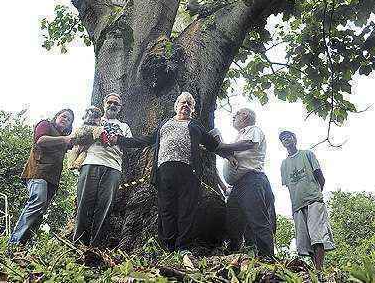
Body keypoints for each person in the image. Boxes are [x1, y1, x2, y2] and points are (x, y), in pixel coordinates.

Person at [115, 92, 223, 253]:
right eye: (182, 102)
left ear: (193, 109)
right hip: (165, 171)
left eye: (189, 104)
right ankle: (169, 246)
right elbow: (146, 140)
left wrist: (221, 143)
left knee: (186, 208)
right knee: (166, 208)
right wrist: (120, 140)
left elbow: (212, 144)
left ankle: (183, 246)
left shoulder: (195, 125)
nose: (185, 105)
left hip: (189, 170)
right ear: (176, 105)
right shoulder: (164, 123)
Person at [73, 93, 132, 247]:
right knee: (84, 203)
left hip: (114, 166)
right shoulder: (93, 119)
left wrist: (118, 139)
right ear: (104, 104)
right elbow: (78, 137)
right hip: (90, 162)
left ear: (120, 108)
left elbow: (130, 144)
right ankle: (78, 245)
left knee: (105, 207)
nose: (112, 105)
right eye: (110, 102)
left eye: (116, 104)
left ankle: (96, 247)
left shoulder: (124, 126)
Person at [9, 108, 75, 244]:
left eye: (69, 120)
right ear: (56, 116)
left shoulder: (64, 140)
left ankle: (24, 245)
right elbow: (41, 140)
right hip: (38, 172)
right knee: (37, 202)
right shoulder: (46, 125)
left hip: (52, 179)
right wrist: (64, 139)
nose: (65, 120)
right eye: (63, 116)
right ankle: (14, 242)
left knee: (40, 211)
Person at [221, 108, 276, 258]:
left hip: (252, 180)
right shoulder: (240, 134)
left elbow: (248, 143)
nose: (233, 117)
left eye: (236, 114)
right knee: (233, 221)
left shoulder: (252, 129)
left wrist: (222, 147)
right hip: (237, 186)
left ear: (245, 115)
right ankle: (233, 253)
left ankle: (267, 257)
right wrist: (225, 153)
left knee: (258, 220)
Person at [279, 130, 334, 271]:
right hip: (297, 205)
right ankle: (315, 269)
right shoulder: (284, 164)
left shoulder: (307, 154)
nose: (286, 139)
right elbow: (289, 185)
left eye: (288, 136)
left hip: (314, 201)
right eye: (283, 138)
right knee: (305, 240)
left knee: (317, 236)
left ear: (294, 139)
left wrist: (316, 194)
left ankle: (319, 269)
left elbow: (320, 177)